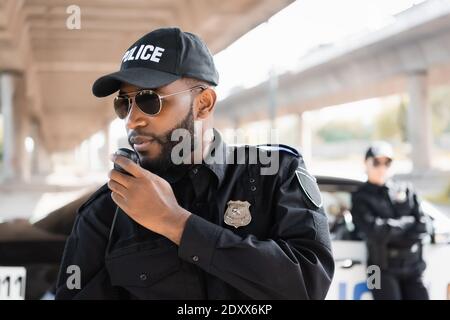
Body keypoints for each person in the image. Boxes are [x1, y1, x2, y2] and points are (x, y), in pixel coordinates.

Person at [55, 27, 334, 300]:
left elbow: (310, 285)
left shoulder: (274, 175)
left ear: (203, 104)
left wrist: (176, 224)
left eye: (149, 100)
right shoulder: (107, 211)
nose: (131, 119)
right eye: (124, 103)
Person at [351, 141, 430, 300]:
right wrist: (407, 223)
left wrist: (391, 231)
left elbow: (424, 225)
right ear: (366, 163)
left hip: (412, 265)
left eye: (387, 162)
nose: (382, 167)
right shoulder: (359, 197)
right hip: (376, 269)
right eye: (376, 162)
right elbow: (374, 232)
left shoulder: (406, 190)